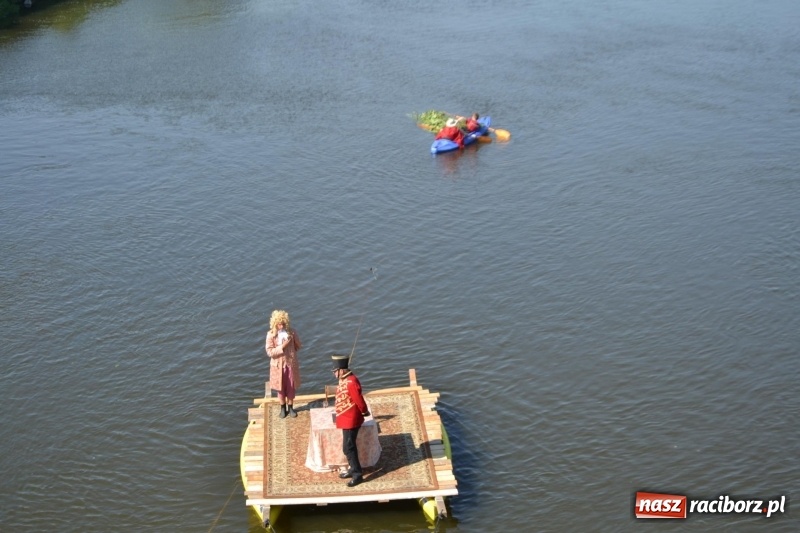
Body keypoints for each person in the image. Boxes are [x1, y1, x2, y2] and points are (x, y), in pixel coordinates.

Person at [332, 354, 370, 487]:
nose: (334, 374)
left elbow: (359, 399)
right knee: (347, 447)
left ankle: (357, 474)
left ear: (341, 371)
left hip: (351, 419)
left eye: (335, 371)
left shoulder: (351, 381)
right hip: (345, 417)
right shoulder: (344, 379)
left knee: (349, 447)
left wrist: (364, 411)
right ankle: (352, 469)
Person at [265, 310, 302, 418]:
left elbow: (298, 346)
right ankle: (283, 408)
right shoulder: (271, 335)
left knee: (291, 387)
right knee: (280, 388)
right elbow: (270, 352)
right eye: (279, 324)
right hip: (278, 366)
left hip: (290, 365)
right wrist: (282, 346)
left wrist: (293, 338)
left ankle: (291, 408)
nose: (281, 326)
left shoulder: (292, 332)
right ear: (275, 323)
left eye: (283, 323)